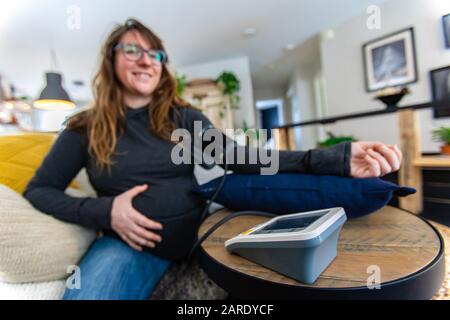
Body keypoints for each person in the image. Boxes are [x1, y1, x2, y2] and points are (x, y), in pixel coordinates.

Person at [24, 18, 402, 300]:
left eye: (155, 53)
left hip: (198, 237)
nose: (146, 60)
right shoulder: (83, 128)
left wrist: (336, 159)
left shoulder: (181, 117)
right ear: (111, 60)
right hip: (129, 246)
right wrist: (106, 212)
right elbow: (40, 190)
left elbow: (243, 158)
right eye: (132, 50)